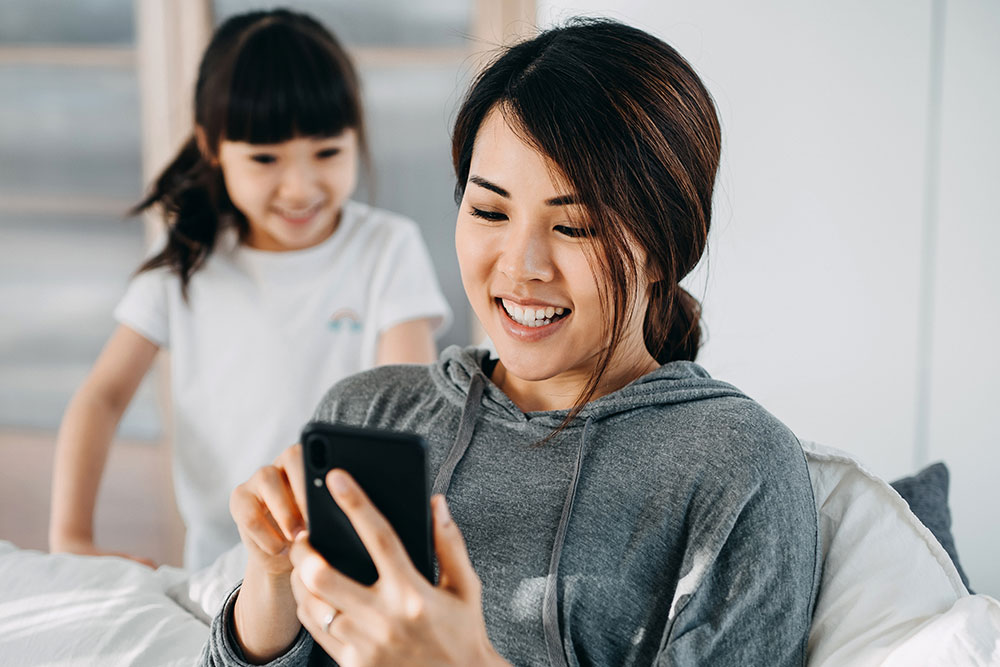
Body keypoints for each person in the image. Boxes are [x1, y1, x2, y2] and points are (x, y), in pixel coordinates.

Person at [202, 18, 819, 666]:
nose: (522, 265)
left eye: (575, 226)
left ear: (667, 247)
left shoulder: (737, 465)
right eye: (490, 211)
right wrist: (269, 579)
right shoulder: (371, 413)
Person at [48, 9, 452, 571]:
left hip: (354, 555)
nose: (301, 186)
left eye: (328, 152)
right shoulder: (185, 265)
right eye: (265, 159)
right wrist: (71, 537)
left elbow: (409, 408)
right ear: (212, 147)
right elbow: (101, 397)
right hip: (222, 564)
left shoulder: (387, 248)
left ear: (355, 137)